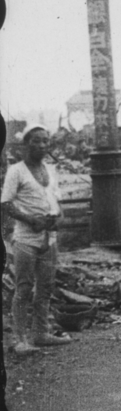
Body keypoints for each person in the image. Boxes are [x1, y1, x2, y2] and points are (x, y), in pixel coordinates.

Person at [1, 124, 73, 355]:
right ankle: (18, 339)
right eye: (36, 141)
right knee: (23, 288)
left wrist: (59, 217)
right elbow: (6, 203)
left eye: (45, 141)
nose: (42, 146)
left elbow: (56, 201)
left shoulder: (50, 171)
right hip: (25, 240)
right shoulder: (17, 171)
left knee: (45, 287)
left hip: (49, 239)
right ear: (26, 144)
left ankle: (40, 333)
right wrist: (30, 219)